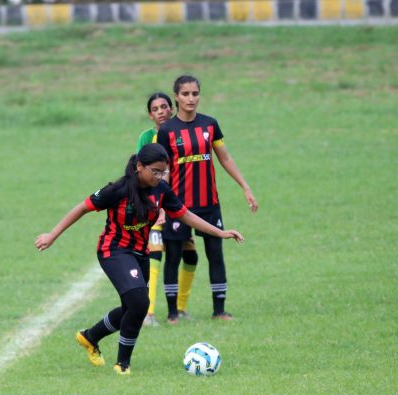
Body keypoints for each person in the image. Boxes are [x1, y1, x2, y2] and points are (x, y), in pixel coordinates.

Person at [35, 143, 243, 375]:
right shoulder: (118, 189)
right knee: (140, 303)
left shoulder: (162, 190)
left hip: (140, 254)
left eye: (163, 171)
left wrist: (219, 232)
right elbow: (81, 208)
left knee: (131, 309)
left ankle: (90, 336)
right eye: (155, 171)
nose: (159, 176)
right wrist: (52, 235)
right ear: (139, 166)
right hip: (113, 250)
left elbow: (184, 215)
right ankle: (122, 363)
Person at [154, 74, 258, 322]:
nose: (191, 98)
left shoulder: (210, 125)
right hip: (178, 205)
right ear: (176, 97)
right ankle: (172, 313)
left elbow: (225, 158)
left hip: (209, 204)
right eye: (186, 94)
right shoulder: (167, 130)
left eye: (195, 93)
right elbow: (163, 170)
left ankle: (219, 310)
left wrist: (245, 186)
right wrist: (161, 204)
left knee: (215, 254)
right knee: (174, 257)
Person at [136, 92, 199, 326]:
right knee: (154, 254)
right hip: (154, 205)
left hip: (177, 203)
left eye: (164, 107)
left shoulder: (179, 132)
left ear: (171, 109)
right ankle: (148, 313)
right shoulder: (146, 137)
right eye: (156, 109)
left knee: (190, 255)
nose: (161, 111)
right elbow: (138, 169)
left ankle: (181, 309)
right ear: (150, 114)